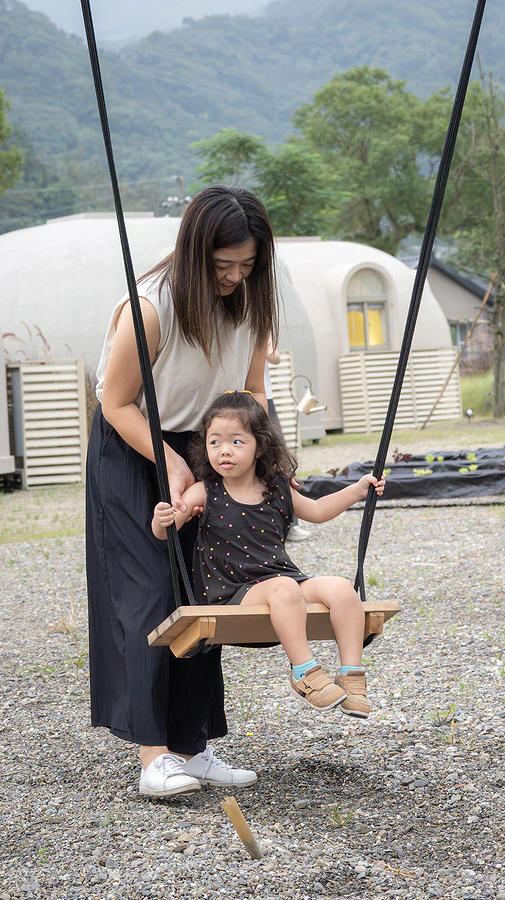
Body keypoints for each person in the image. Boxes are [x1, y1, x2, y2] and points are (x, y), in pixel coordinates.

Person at [87, 185, 279, 798]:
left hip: (207, 443)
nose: (234, 277)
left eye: (247, 266)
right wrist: (168, 461)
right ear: (196, 255)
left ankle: (194, 747)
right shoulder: (151, 307)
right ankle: (153, 757)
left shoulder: (249, 305)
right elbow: (114, 401)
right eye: (223, 266)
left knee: (204, 592)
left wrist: (262, 459)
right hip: (133, 443)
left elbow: (251, 398)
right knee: (149, 590)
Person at [152, 391, 386, 719]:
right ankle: (304, 672)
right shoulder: (206, 490)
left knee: (340, 589)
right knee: (284, 589)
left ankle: (351, 675)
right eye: (215, 442)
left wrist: (358, 490)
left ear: (260, 447)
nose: (224, 451)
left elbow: (317, 510)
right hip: (232, 592)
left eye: (236, 441)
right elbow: (166, 531)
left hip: (281, 580)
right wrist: (161, 519)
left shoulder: (276, 488)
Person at [263, 338, 311, 542]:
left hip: (262, 394)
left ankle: (291, 522)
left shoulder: (259, 316)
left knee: (278, 458)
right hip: (229, 395)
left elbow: (274, 356)